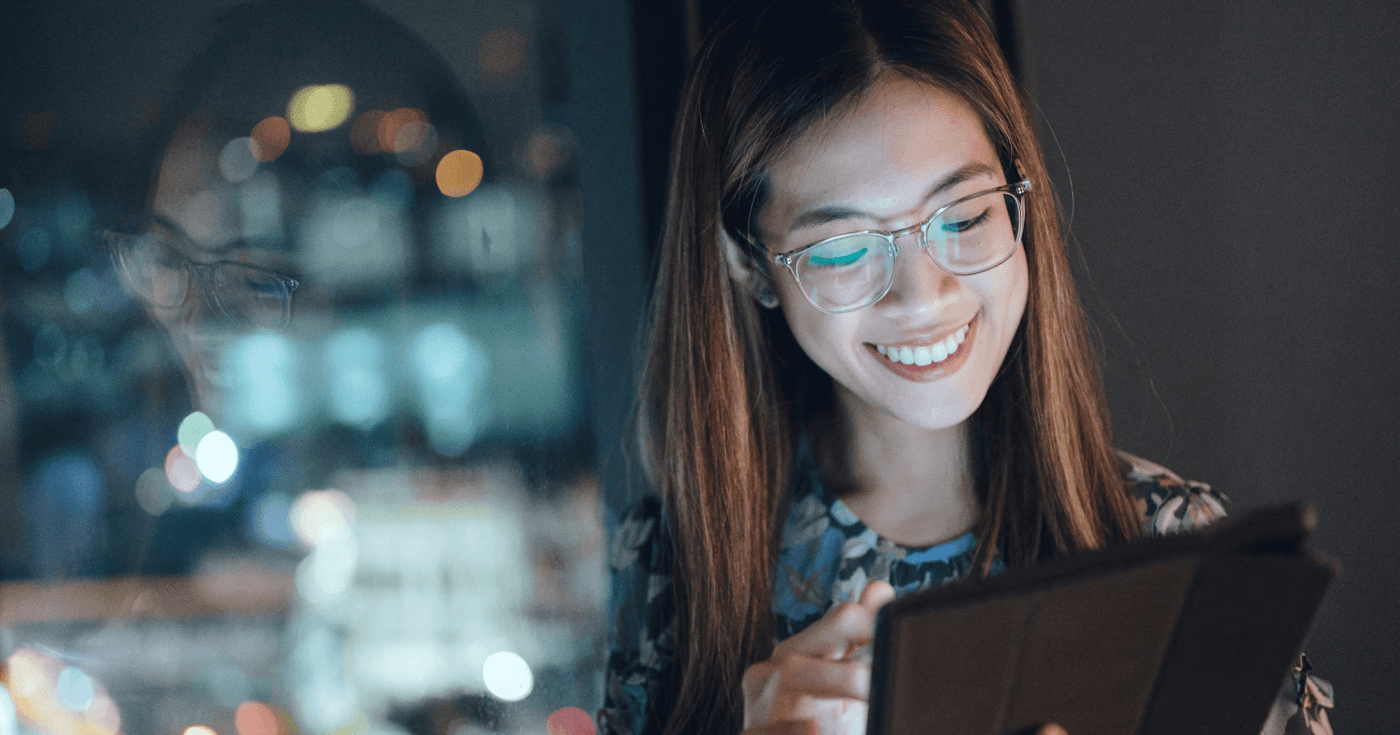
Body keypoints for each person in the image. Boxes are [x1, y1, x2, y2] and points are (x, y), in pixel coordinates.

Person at [598, 1, 1333, 734]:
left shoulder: (1177, 551)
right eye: (845, 249)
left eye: (965, 217)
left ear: (1020, 199)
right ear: (749, 263)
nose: (924, 296)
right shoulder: (675, 565)